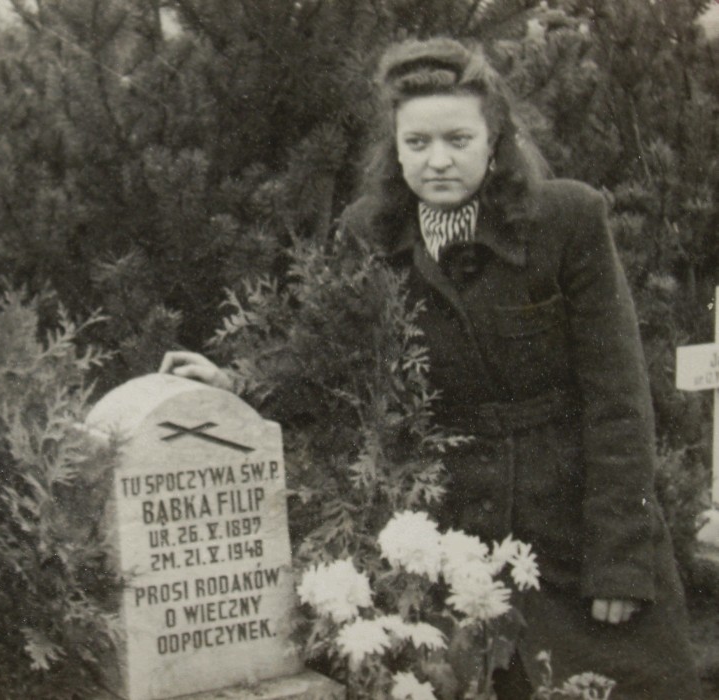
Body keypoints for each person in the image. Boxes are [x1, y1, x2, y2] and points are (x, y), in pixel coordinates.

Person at [162, 37, 702, 699]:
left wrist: (618, 563)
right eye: (415, 143)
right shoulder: (370, 231)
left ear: (494, 138)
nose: (437, 160)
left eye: (457, 138)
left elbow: (618, 400)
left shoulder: (566, 219)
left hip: (571, 534)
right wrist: (236, 384)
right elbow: (325, 359)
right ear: (394, 146)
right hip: (451, 536)